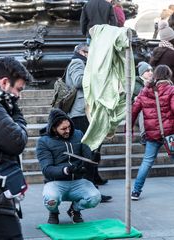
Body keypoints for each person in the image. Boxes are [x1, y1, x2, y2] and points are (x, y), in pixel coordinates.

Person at [36, 108, 101, 224]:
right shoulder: (43, 141)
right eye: (63, 129)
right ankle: (54, 211)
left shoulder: (78, 134)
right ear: (54, 129)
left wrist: (94, 156)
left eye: (69, 127)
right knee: (50, 200)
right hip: (56, 182)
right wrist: (66, 170)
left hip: (77, 181)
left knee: (95, 197)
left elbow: (87, 155)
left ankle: (74, 210)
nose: (68, 130)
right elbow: (47, 170)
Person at [65, 43, 112, 202]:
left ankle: (93, 180)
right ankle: (90, 189)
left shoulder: (81, 63)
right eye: (89, 53)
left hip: (86, 112)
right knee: (88, 150)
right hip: (81, 113)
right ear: (82, 52)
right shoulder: (77, 62)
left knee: (92, 147)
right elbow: (78, 81)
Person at [0, 56, 32, 239]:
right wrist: (18, 116)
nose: (19, 96)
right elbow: (16, 141)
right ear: (4, 82)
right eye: (18, 89)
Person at [131, 65, 174, 201]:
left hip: (152, 133)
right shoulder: (171, 89)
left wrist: (129, 127)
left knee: (147, 161)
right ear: (168, 75)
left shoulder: (145, 91)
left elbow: (133, 111)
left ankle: (136, 191)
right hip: (170, 132)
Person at [133, 61, 153, 145]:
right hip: (136, 113)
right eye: (148, 71)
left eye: (151, 70)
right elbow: (143, 96)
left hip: (153, 111)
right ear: (142, 73)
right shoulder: (135, 82)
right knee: (142, 109)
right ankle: (144, 135)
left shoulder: (154, 82)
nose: (151, 73)